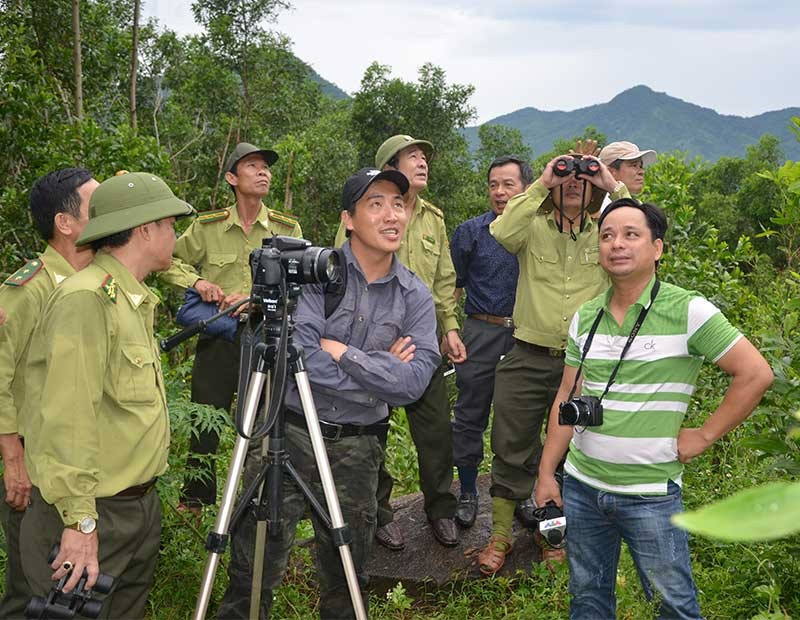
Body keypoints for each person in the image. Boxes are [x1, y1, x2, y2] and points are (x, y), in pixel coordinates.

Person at [217, 167, 440, 619]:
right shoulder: (313, 275)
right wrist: (380, 368)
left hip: (360, 450)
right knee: (253, 570)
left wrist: (341, 352)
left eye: (398, 203)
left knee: (347, 577)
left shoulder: (415, 295)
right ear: (349, 219)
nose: (391, 214)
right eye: (375, 203)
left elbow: (414, 382)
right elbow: (298, 356)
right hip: (291, 435)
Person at [535, 198, 773, 618]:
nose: (617, 244)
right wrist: (546, 472)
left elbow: (755, 373)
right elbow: (565, 399)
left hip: (650, 495)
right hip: (583, 487)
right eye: (607, 236)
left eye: (631, 235)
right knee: (587, 601)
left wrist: (703, 435)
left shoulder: (688, 310)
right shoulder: (585, 316)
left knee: (675, 606)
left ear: (657, 248)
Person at [20, 172, 194, 617]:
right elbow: (67, 419)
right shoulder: (87, 300)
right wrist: (80, 521)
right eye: (170, 223)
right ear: (145, 229)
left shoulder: (129, 300)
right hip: (91, 512)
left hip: (136, 508)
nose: (176, 233)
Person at [478, 152, 631, 575]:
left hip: (583, 364)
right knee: (511, 445)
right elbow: (501, 231)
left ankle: (552, 535)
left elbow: (637, 232)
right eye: (567, 176)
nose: (574, 183)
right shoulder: (531, 227)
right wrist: (543, 181)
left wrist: (611, 183)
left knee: (569, 454)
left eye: (583, 178)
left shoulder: (604, 232)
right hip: (527, 354)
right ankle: (501, 535)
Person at [334, 134, 464, 549]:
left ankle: (441, 508)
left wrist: (450, 328)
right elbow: (345, 273)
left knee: (436, 429)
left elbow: (444, 280)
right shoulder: (359, 212)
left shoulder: (434, 218)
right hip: (372, 337)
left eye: (425, 156)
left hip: (420, 337)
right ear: (389, 166)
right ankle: (380, 513)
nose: (423, 162)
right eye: (413, 156)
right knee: (370, 428)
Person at [161, 142, 302, 512]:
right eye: (252, 166)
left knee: (264, 419)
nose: (263, 173)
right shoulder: (206, 228)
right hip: (221, 334)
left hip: (266, 333)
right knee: (205, 419)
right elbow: (168, 261)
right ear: (231, 178)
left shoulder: (286, 228)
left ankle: (255, 500)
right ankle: (194, 500)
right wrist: (197, 284)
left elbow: (298, 279)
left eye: (266, 168)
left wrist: (260, 296)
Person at [0, 167, 99, 617]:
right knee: (31, 595)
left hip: (76, 466)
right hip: (35, 471)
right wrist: (14, 460)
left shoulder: (99, 283)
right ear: (66, 222)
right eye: (96, 206)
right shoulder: (29, 288)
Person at [449, 155, 533, 528]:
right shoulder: (470, 232)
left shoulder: (538, 230)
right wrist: (447, 329)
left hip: (527, 334)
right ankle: (467, 492)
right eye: (494, 184)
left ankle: (522, 493)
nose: (499, 192)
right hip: (481, 330)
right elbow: (451, 287)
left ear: (527, 188)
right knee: (470, 413)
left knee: (520, 418)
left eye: (508, 184)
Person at [598, 141, 657, 209]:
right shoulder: (602, 207)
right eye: (634, 165)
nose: (642, 172)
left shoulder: (634, 203)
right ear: (610, 172)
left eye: (641, 166)